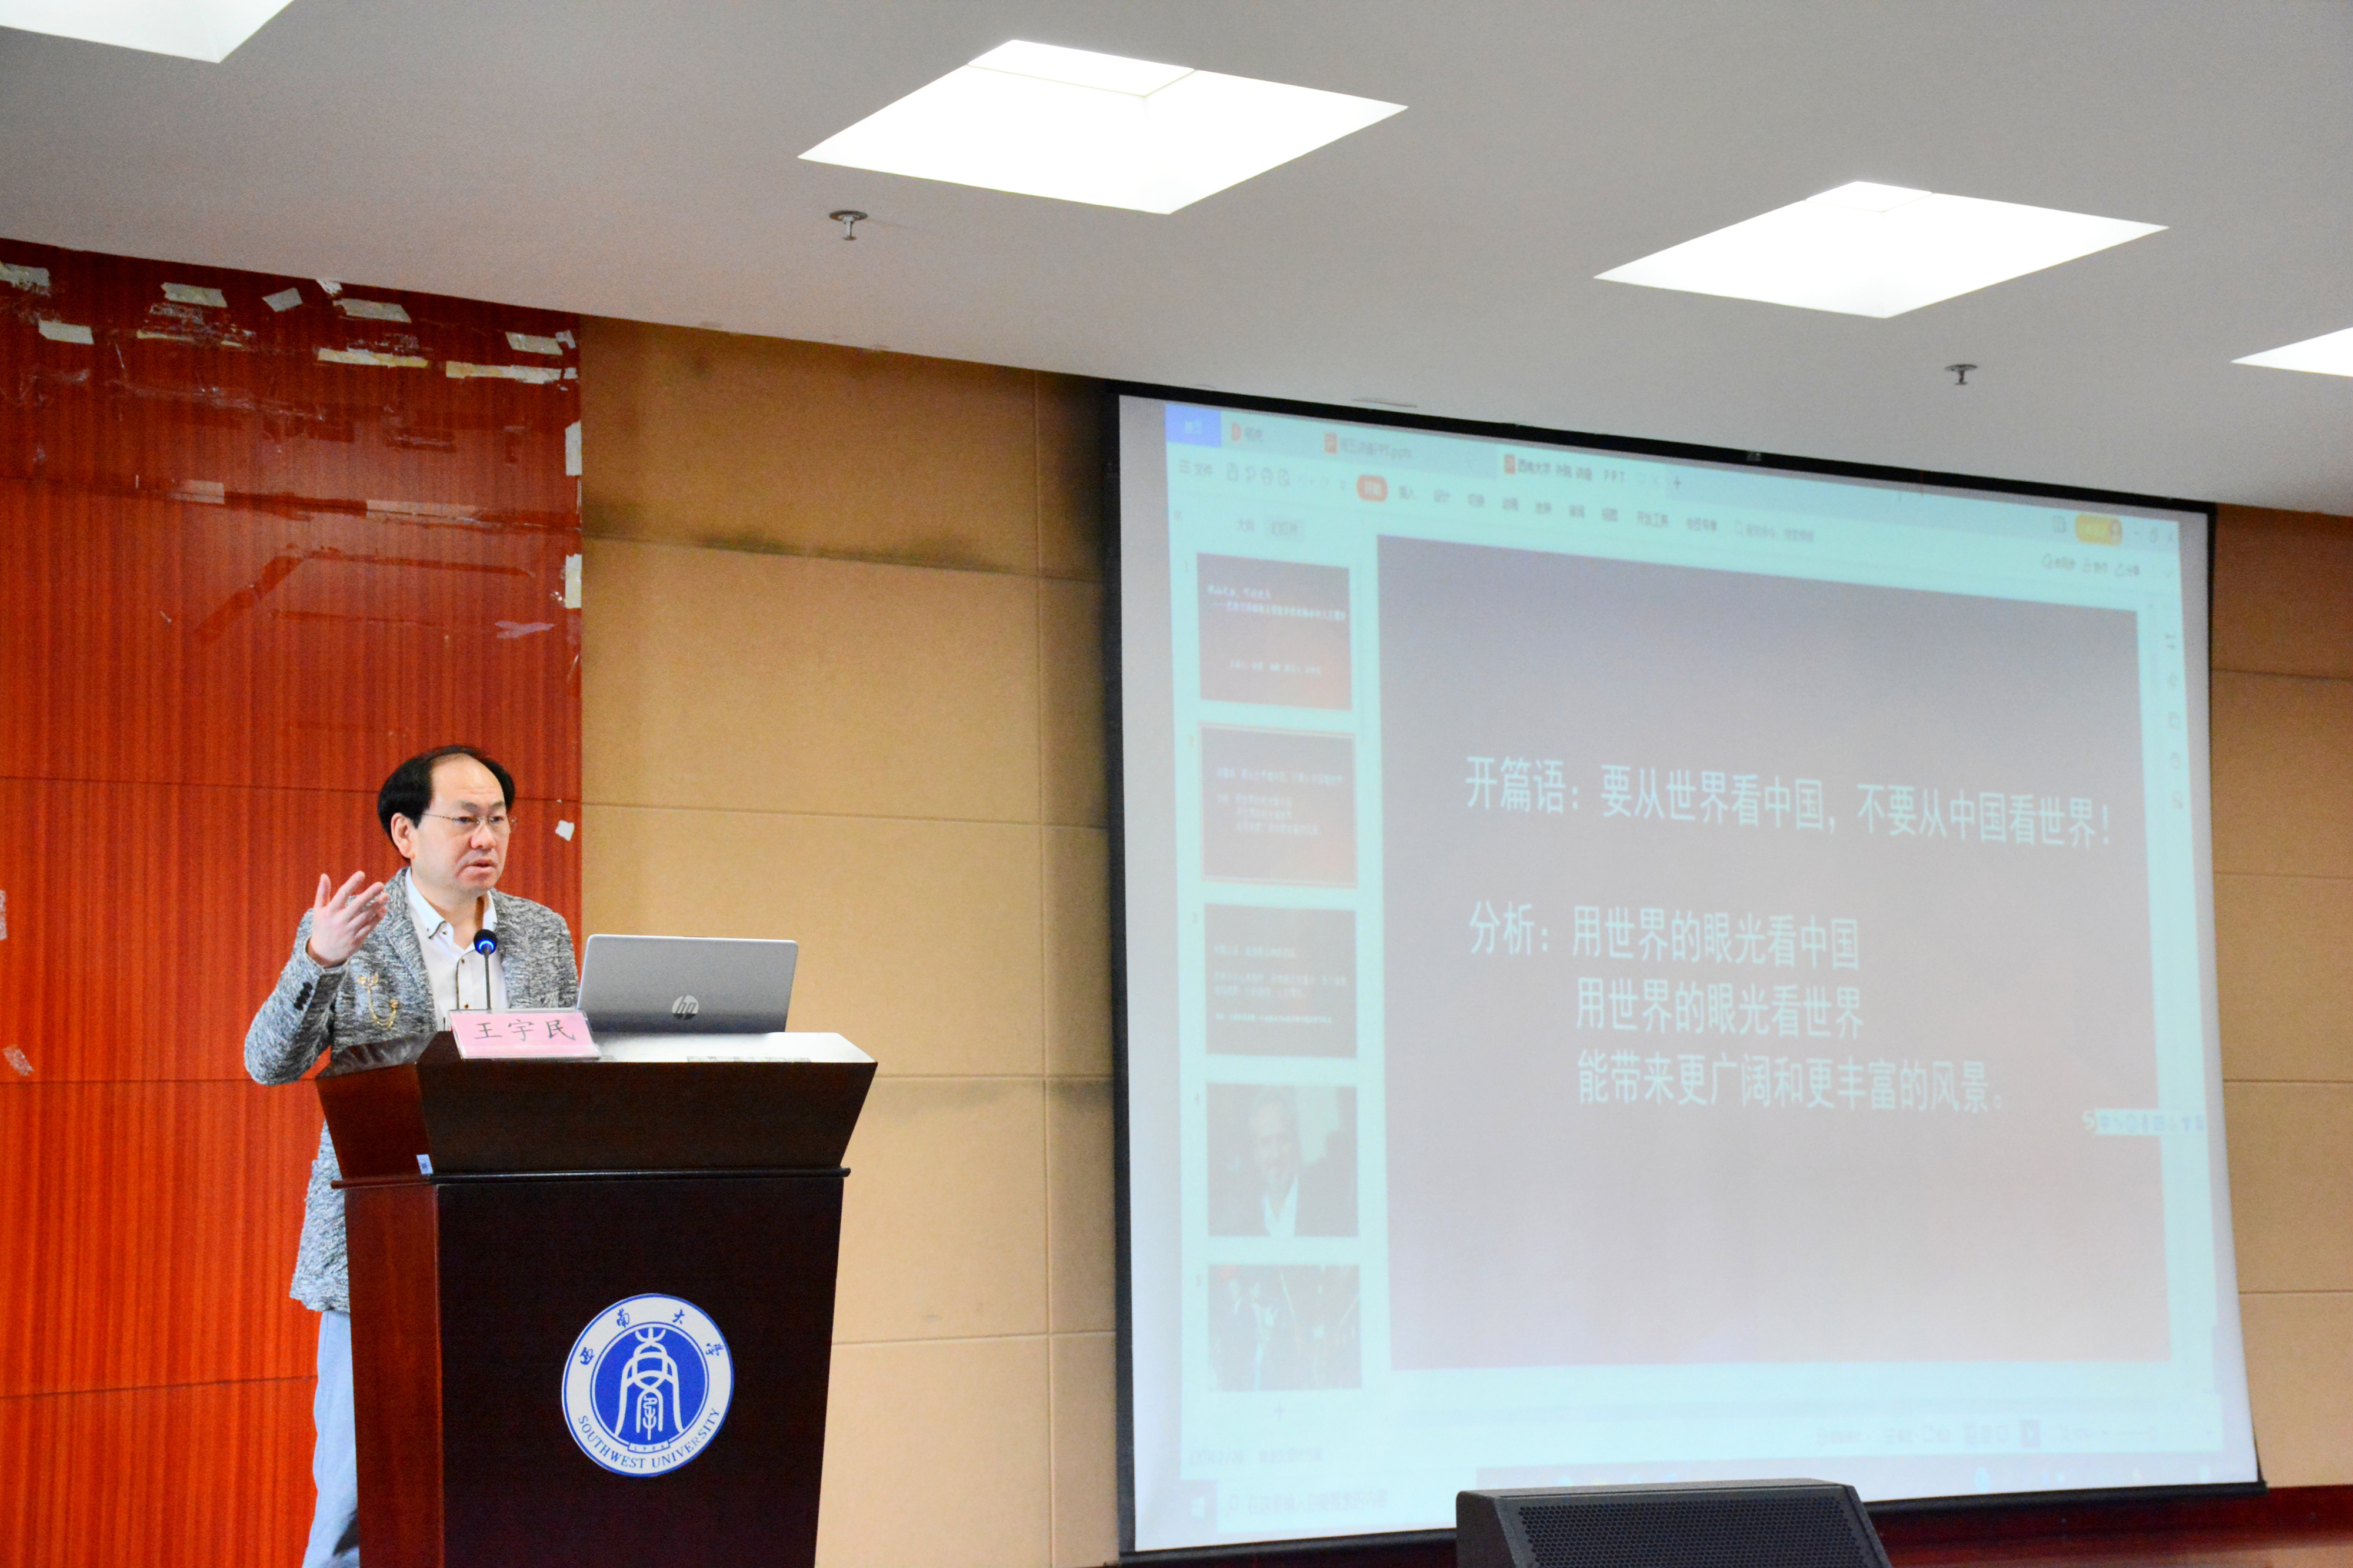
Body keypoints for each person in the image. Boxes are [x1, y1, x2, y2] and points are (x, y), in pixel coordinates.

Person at [245, 746, 578, 1568]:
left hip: (511, 1243)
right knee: (360, 1496)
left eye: (498, 818)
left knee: (508, 1481)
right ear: (405, 832)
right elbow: (269, 1062)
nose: (486, 836)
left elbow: (571, 1073)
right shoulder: (353, 930)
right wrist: (318, 961)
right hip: (380, 1248)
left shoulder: (541, 932)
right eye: (464, 818)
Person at [1212, 1088, 1357, 1237]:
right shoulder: (1243, 1222)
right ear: (1256, 1153)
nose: (1276, 1155)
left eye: (1283, 1139)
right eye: (1266, 1142)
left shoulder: (1328, 1210)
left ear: (1296, 1143)